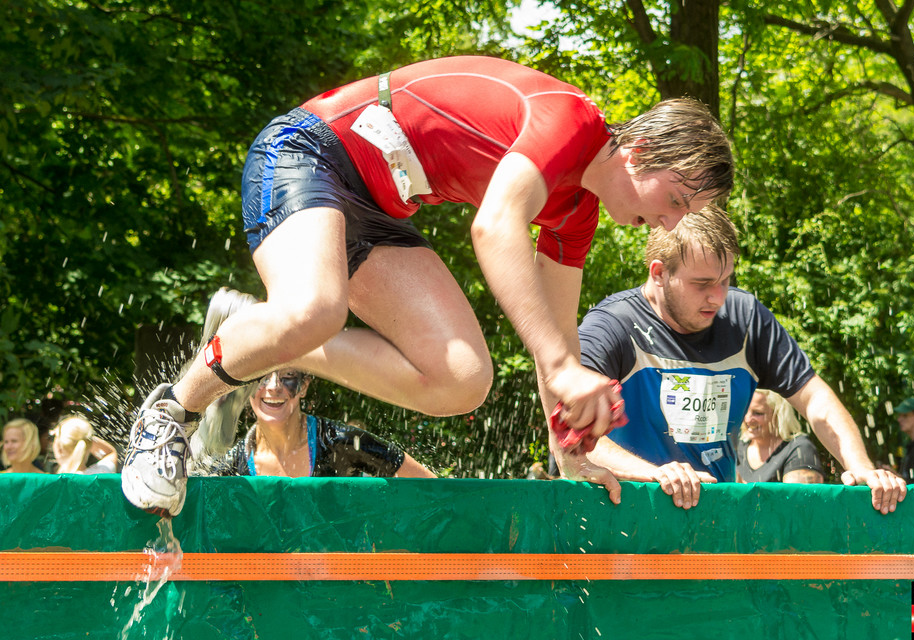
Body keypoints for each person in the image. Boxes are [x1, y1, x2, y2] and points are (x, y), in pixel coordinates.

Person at [121, 55, 735, 516]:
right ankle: (170, 413)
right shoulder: (571, 121)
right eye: (677, 200)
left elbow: (560, 349)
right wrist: (560, 365)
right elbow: (494, 227)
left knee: (462, 380)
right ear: (641, 150)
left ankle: (275, 337)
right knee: (316, 308)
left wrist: (572, 452)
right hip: (310, 151)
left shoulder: (577, 214)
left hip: (376, 207)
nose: (671, 223)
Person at [562, 205, 906, 513]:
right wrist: (655, 474)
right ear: (659, 273)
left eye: (725, 281)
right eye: (702, 284)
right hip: (626, 514)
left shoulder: (746, 319)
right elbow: (570, 436)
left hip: (716, 517)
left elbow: (814, 397)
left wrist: (860, 465)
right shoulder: (612, 325)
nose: (717, 297)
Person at [207, 367, 435, 479]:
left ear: (304, 386)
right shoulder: (231, 468)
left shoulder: (340, 442)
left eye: (287, 376)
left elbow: (429, 485)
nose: (274, 386)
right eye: (262, 376)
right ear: (246, 386)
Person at [736, 389, 823, 484]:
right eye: (744, 411)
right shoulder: (736, 445)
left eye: (758, 413)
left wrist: (739, 487)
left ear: (778, 415)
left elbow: (796, 493)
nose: (747, 419)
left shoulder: (799, 448)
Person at [51, 414, 118, 474]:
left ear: (59, 450)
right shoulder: (101, 472)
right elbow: (110, 453)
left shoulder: (53, 481)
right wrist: (85, 437)